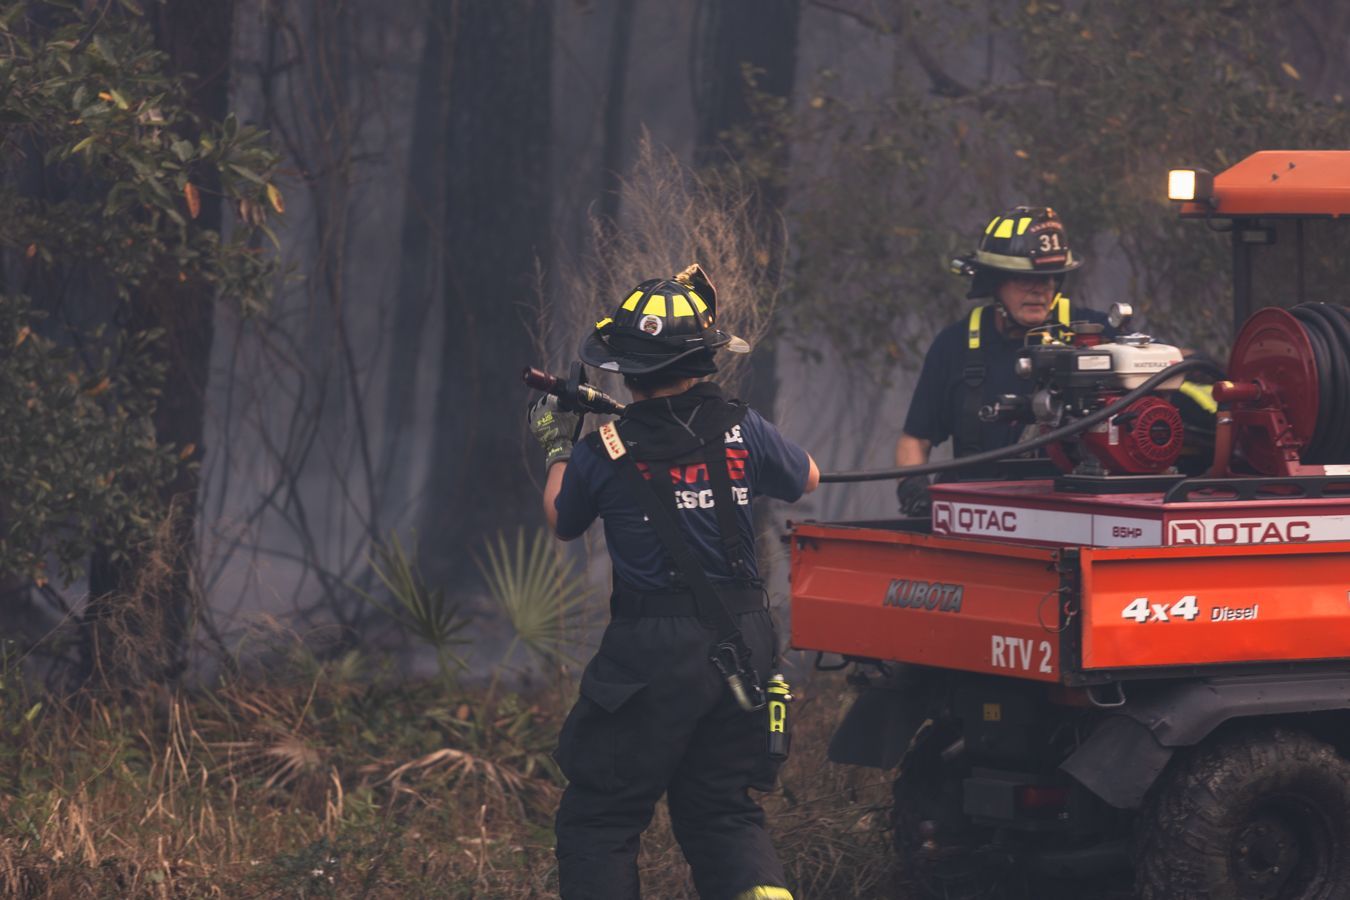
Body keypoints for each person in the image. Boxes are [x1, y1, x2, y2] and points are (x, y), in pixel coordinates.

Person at [528, 264, 818, 900]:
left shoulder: (601, 446)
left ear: (625, 370)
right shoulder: (743, 425)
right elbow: (808, 478)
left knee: (601, 819)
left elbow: (563, 520)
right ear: (702, 362)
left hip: (651, 653)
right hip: (744, 643)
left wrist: (556, 444)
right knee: (723, 811)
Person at [894, 206, 1118, 514]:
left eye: (1048, 278)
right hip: (978, 517)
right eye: (1023, 279)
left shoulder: (1095, 335)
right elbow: (915, 441)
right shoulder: (955, 345)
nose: (1039, 290)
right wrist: (913, 488)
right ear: (993, 282)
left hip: (1068, 512)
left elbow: (1160, 367)